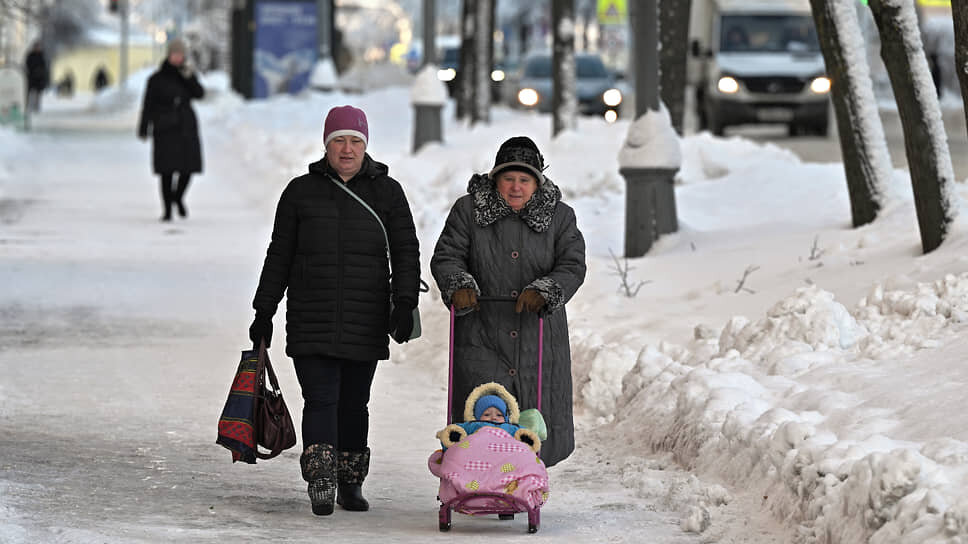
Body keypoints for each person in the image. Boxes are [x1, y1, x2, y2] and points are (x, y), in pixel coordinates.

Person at [248, 105, 420, 517]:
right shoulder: (299, 192)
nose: (347, 149)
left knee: (354, 404)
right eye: (338, 141)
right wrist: (264, 309)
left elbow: (406, 250)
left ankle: (350, 481)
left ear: (366, 145)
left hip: (365, 315)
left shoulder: (388, 192)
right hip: (312, 314)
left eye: (355, 141)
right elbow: (279, 255)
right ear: (326, 145)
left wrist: (405, 302)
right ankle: (322, 481)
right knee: (321, 399)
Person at [430, 136, 586, 468]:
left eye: (524, 179)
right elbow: (448, 256)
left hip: (537, 335)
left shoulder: (560, 217)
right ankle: (480, 479)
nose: (516, 187)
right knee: (487, 411)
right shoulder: (468, 211)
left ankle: (521, 481)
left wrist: (546, 290)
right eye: (509, 178)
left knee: (532, 415)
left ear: (536, 182)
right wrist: (459, 285)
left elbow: (572, 264)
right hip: (482, 332)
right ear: (495, 179)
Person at [137, 38, 204, 221]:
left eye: (180, 54)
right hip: (164, 128)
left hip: (186, 127)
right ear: (169, 55)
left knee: (188, 168)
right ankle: (167, 210)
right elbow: (148, 104)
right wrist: (144, 127)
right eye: (174, 54)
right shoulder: (156, 79)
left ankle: (178, 197)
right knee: (166, 171)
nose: (177, 57)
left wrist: (189, 77)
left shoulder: (187, 75)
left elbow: (199, 94)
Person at [436, 382, 541, 453]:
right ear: (477, 416)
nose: (493, 418)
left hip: (505, 460)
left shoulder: (510, 427)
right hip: (478, 456)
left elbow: (524, 434)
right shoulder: (473, 426)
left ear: (506, 417)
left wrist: (527, 441)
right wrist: (453, 437)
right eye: (486, 414)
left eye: (499, 415)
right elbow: (451, 437)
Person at [24, 41, 48, 112]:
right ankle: (29, 106)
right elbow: (27, 64)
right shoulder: (30, 55)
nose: (37, 48)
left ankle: (37, 106)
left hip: (39, 78)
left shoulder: (42, 55)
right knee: (30, 93)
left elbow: (44, 66)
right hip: (31, 77)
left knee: (38, 93)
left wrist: (41, 72)